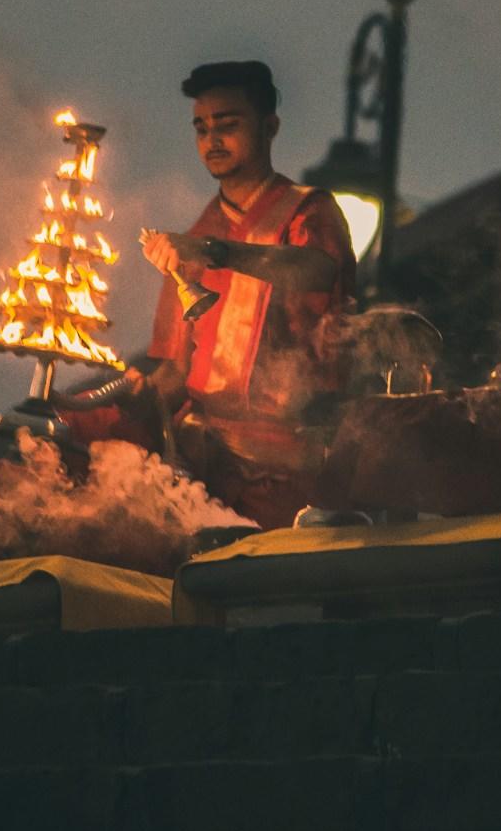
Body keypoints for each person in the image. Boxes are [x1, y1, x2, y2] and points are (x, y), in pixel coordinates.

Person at [119, 61, 357, 528]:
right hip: (207, 474)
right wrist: (135, 394)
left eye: (227, 125)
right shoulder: (193, 237)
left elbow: (314, 272)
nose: (212, 141)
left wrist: (216, 253)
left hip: (294, 473)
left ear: (270, 127)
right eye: (201, 128)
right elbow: (176, 372)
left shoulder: (309, 212)